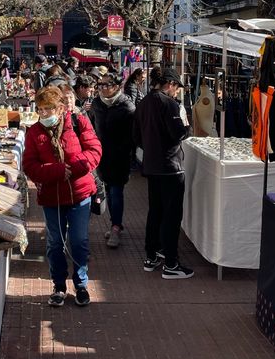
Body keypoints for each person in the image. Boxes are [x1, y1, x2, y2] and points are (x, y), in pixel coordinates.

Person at [22, 86, 101, 308]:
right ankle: (58, 285)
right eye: (40, 109)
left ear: (60, 108)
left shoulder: (77, 122)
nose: (44, 114)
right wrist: (56, 171)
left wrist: (74, 168)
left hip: (79, 194)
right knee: (55, 243)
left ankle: (81, 284)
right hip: (51, 197)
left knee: (79, 241)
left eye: (48, 109)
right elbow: (30, 166)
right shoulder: (34, 132)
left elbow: (94, 150)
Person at [133, 68, 192, 279]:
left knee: (155, 212)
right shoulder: (170, 104)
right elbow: (179, 133)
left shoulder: (143, 103)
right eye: (177, 87)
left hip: (151, 165)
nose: (177, 92)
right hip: (169, 167)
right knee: (171, 215)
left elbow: (137, 136)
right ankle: (171, 263)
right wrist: (187, 126)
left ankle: (151, 255)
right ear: (169, 84)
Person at [89, 74, 135, 248]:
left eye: (106, 85)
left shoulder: (127, 107)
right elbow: (92, 127)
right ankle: (114, 222)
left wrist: (125, 150)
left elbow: (133, 134)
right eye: (99, 85)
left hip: (120, 157)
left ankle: (116, 227)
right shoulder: (96, 104)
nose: (101, 88)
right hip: (101, 156)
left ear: (116, 86)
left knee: (116, 192)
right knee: (107, 190)